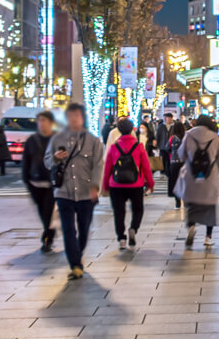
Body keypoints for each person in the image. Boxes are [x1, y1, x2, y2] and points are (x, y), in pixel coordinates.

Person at [45, 102, 104, 279]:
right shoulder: (57, 139)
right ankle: (75, 264)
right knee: (68, 229)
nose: (73, 119)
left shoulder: (93, 141)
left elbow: (98, 165)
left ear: (82, 118)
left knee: (84, 228)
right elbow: (46, 162)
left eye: (76, 116)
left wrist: (95, 186)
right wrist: (55, 158)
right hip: (64, 191)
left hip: (86, 192)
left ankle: (78, 253)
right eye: (70, 116)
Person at [102, 117, 154, 249]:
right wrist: (150, 183)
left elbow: (107, 167)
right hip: (135, 184)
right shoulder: (139, 146)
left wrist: (105, 186)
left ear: (118, 130)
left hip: (116, 184)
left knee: (119, 212)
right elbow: (146, 167)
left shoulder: (114, 147)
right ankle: (133, 228)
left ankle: (121, 239)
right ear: (132, 130)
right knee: (138, 209)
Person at [177, 114, 219, 247]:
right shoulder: (215, 137)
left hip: (192, 176)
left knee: (191, 205)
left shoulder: (188, 135)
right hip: (209, 177)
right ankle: (208, 237)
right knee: (210, 207)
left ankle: (191, 226)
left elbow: (181, 154)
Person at [22, 110, 58, 253]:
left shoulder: (57, 139)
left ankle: (47, 238)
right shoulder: (32, 140)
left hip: (52, 183)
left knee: (48, 211)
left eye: (44, 120)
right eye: (39, 121)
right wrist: (26, 179)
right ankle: (48, 233)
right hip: (35, 182)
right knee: (42, 211)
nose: (41, 124)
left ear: (50, 122)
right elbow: (26, 160)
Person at [166, 120, 187, 208]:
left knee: (175, 182)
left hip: (174, 163)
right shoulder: (186, 137)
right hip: (185, 163)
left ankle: (177, 203)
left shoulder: (172, 138)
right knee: (185, 182)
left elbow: (167, 148)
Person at [156, 113, 173, 179]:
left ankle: (168, 173)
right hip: (162, 145)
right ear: (165, 118)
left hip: (171, 146)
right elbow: (158, 135)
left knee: (169, 160)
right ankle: (162, 172)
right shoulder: (161, 126)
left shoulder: (173, 126)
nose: (168, 119)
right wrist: (157, 145)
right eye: (167, 118)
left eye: (170, 118)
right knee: (162, 159)